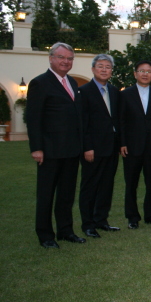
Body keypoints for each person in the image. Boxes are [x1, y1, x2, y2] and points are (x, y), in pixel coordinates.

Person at [26, 42, 85, 248]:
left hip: (71, 150)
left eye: (69, 58)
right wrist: (36, 148)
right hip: (49, 150)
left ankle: (65, 231)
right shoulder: (40, 83)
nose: (66, 62)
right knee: (46, 194)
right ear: (51, 58)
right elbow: (33, 118)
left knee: (67, 194)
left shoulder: (73, 83)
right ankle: (45, 235)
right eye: (61, 57)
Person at [120, 60, 151, 229]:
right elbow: (122, 122)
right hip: (132, 147)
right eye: (142, 71)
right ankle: (132, 217)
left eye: (149, 71)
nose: (145, 74)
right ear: (135, 74)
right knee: (131, 183)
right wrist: (123, 142)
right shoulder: (125, 94)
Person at [79, 54, 121, 239]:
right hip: (92, 149)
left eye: (108, 67)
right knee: (90, 186)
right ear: (93, 69)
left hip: (111, 148)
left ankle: (101, 220)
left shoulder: (114, 91)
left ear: (112, 71)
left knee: (106, 185)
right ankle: (88, 224)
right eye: (100, 66)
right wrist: (87, 147)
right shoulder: (84, 91)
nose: (104, 70)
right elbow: (82, 122)